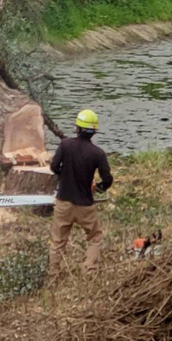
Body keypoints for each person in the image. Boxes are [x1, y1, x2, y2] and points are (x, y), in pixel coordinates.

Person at [48, 109, 113, 275]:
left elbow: (54, 167)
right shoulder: (98, 153)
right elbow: (107, 179)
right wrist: (98, 188)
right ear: (94, 131)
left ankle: (54, 272)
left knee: (58, 240)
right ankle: (89, 269)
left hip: (63, 202)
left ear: (77, 128)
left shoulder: (65, 145)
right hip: (85, 205)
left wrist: (65, 174)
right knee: (95, 237)